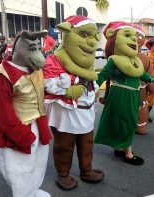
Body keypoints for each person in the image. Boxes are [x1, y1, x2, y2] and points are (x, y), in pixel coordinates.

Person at [43, 15, 104, 190]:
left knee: (87, 142)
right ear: (67, 33)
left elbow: (90, 77)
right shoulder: (54, 60)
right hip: (66, 111)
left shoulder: (85, 60)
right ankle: (63, 174)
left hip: (86, 109)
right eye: (85, 35)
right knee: (65, 145)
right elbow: (46, 82)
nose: (91, 42)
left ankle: (86, 170)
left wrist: (94, 88)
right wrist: (66, 90)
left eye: (94, 37)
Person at [94, 21, 154, 166]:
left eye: (134, 37)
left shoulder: (136, 61)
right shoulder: (114, 60)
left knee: (127, 121)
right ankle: (128, 153)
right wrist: (91, 88)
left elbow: (142, 75)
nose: (133, 40)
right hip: (120, 95)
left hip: (133, 95)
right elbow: (103, 75)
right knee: (126, 122)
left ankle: (120, 147)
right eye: (128, 36)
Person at [0, 31, 52, 197]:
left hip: (38, 123)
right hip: (20, 128)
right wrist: (23, 136)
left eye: (39, 47)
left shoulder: (34, 68)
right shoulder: (3, 74)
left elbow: (43, 89)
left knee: (39, 162)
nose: (38, 53)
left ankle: (33, 190)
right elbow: (4, 113)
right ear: (18, 48)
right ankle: (23, 194)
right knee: (20, 168)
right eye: (32, 48)